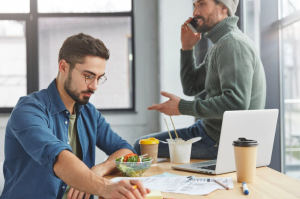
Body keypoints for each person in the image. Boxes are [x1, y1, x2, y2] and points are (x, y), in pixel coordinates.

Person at [1, 33, 150, 199]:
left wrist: (98, 170)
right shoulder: (29, 110)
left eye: (99, 78)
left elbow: (126, 150)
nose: (94, 86)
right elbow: (57, 157)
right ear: (63, 67)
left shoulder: (89, 113)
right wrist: (104, 187)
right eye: (88, 76)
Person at [134, 0, 266, 159]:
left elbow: (236, 103)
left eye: (202, 4)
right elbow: (191, 87)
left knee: (141, 147)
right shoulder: (220, 44)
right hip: (209, 129)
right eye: (194, 5)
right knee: (144, 145)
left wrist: (182, 107)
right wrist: (187, 48)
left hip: (220, 141)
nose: (195, 12)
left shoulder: (232, 43)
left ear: (224, 7)